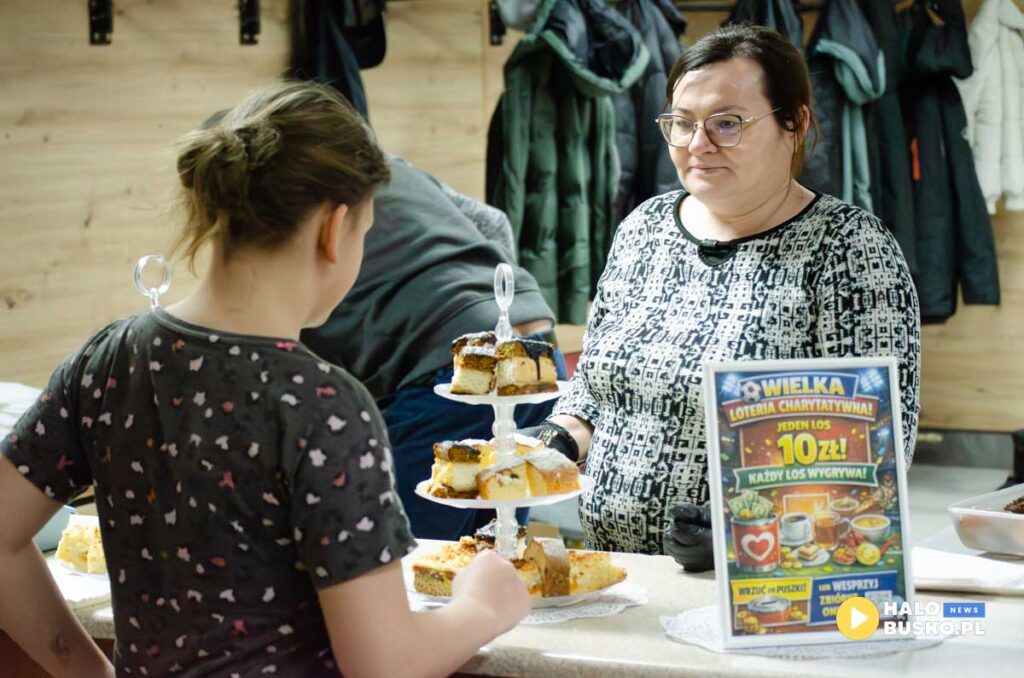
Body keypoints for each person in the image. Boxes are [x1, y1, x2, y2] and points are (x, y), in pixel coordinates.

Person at [0, 81, 529, 678]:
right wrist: (483, 606)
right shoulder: (325, 406)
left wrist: (83, 667)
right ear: (335, 228)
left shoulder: (105, 359)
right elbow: (385, 664)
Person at [522, 24, 921, 569]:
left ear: (795, 124)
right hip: (614, 569)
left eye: (726, 124)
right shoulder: (644, 229)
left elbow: (877, 450)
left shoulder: (849, 249)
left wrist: (742, 530)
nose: (696, 145)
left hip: (763, 582)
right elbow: (593, 392)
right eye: (681, 124)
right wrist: (551, 445)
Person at [301, 156, 566, 540]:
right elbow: (493, 220)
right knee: (496, 548)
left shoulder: (287, 201)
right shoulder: (389, 165)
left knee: (409, 561)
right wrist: (493, 310)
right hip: (536, 344)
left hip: (451, 367)